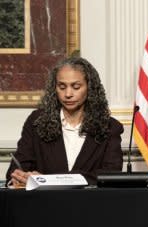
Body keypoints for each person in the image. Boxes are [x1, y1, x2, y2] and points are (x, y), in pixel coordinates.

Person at [6, 56, 123, 187]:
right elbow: (18, 167)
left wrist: (50, 180)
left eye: (76, 87)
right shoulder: (36, 121)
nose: (68, 94)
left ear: (90, 88)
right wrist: (18, 178)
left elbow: (111, 175)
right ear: (54, 88)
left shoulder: (109, 126)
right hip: (45, 203)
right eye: (62, 87)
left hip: (89, 204)